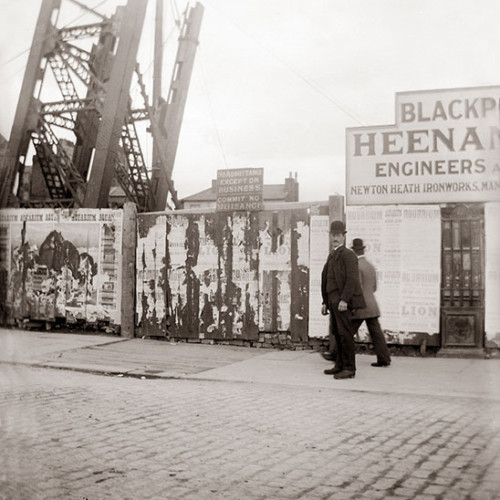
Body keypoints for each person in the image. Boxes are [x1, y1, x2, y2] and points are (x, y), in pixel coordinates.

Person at [321, 220, 365, 379]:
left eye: (339, 235)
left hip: (342, 302)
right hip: (332, 301)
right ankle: (339, 365)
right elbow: (327, 280)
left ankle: (349, 368)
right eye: (333, 235)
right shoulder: (332, 255)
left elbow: (352, 280)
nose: (336, 238)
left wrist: (344, 300)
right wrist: (325, 302)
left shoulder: (348, 255)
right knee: (337, 334)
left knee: (345, 334)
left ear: (344, 237)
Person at [350, 238, 391, 367]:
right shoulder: (370, 266)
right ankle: (384, 359)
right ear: (362, 250)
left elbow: (358, 288)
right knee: (376, 333)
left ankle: (336, 355)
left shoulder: (356, 266)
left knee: (346, 331)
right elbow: (374, 287)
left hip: (361, 306)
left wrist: (353, 304)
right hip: (372, 305)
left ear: (354, 252)